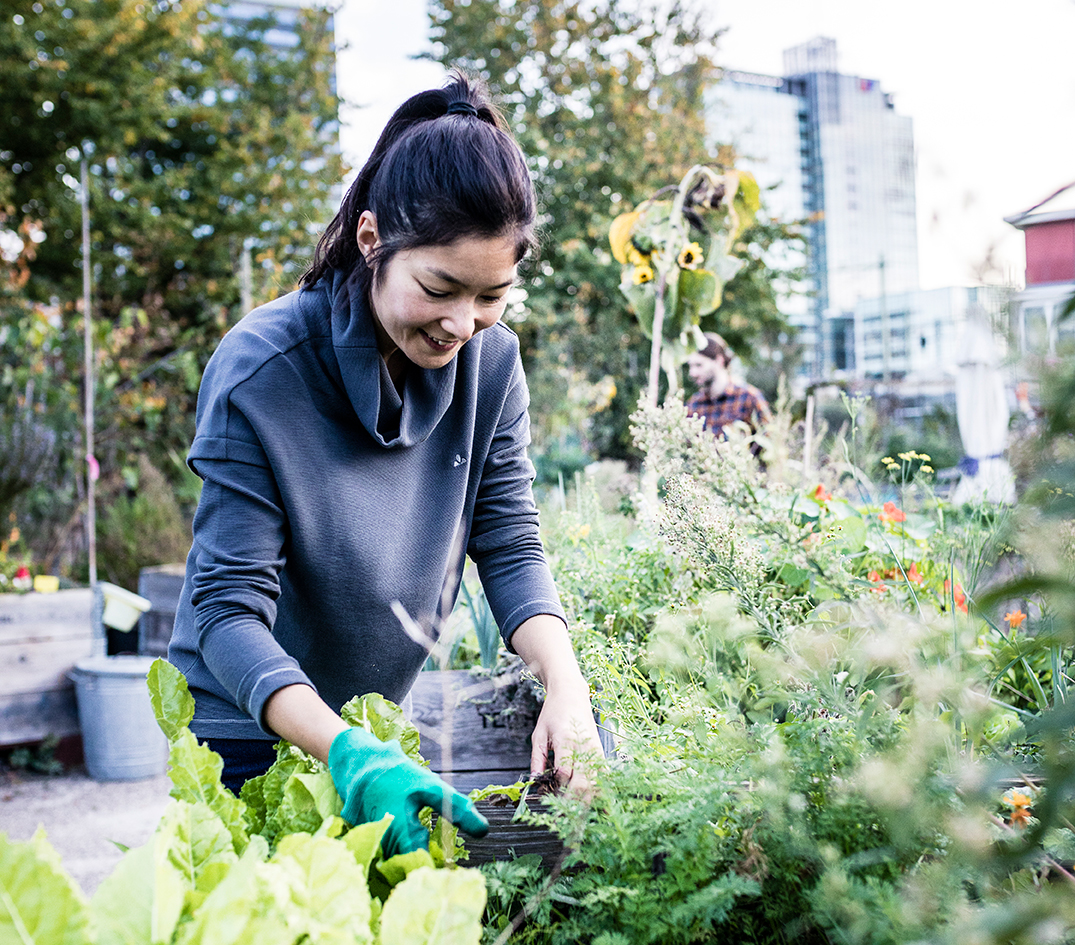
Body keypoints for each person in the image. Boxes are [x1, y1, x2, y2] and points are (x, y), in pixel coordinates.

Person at [167, 72, 603, 857]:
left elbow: (509, 544)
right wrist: (344, 752)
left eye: (492, 295)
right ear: (372, 241)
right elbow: (225, 612)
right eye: (438, 287)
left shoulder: (492, 365)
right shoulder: (263, 368)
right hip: (251, 724)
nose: (461, 323)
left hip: (375, 726)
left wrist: (564, 685)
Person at [685, 332, 771, 441]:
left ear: (719, 361)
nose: (692, 373)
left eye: (699, 365)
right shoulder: (694, 404)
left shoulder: (748, 397)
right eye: (690, 366)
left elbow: (770, 444)